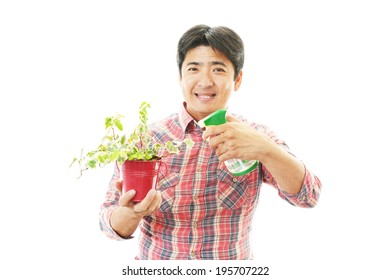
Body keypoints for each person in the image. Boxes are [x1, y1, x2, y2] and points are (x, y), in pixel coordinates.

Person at [99, 24, 322, 260]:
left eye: (218, 69)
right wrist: (132, 213)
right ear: (181, 77)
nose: (205, 81)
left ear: (237, 80)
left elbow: (309, 196)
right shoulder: (148, 140)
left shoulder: (255, 135)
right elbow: (109, 225)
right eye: (194, 68)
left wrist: (266, 150)